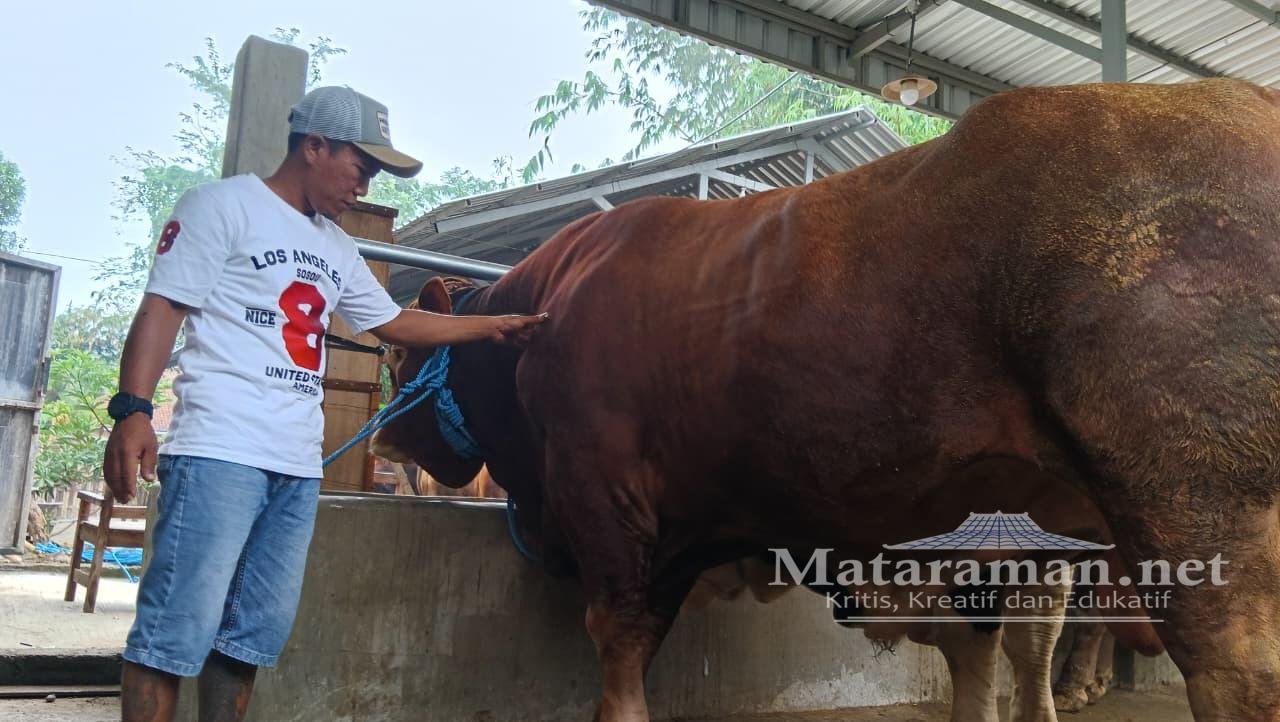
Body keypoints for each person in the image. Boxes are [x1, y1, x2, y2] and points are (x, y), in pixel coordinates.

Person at [102, 86, 546, 722]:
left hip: (296, 465)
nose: (363, 187)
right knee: (172, 634)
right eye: (359, 168)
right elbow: (163, 307)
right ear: (314, 146)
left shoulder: (335, 245)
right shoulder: (220, 207)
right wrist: (133, 411)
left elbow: (394, 323)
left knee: (250, 635)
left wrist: (492, 326)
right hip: (219, 451)